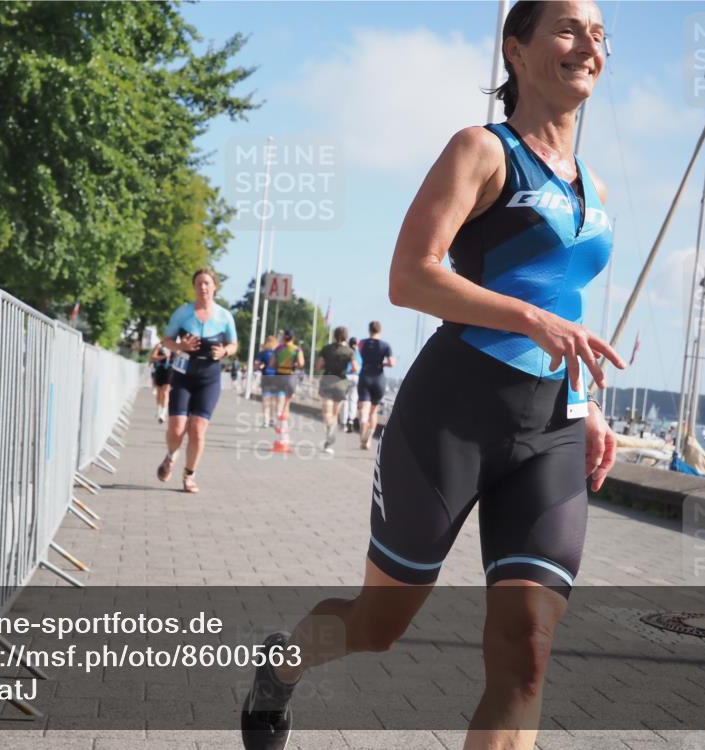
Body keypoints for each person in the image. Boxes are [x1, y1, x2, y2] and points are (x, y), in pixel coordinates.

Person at [241, 3, 626, 749]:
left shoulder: (597, 191)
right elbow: (409, 277)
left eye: (600, 34)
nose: (589, 45)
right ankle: (282, 664)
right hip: (452, 416)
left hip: (553, 430)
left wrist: (588, 406)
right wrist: (528, 320)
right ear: (516, 50)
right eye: (570, 28)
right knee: (377, 626)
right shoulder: (483, 151)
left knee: (528, 651)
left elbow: (564, 304)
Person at [155, 268, 238, 494]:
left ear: (215, 287)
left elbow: (233, 344)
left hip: (209, 378)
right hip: (183, 375)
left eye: (207, 283)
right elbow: (167, 340)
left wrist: (225, 353)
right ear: (194, 287)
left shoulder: (224, 316)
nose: (203, 287)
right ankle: (171, 456)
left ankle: (189, 475)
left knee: (198, 429)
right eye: (199, 283)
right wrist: (181, 347)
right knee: (177, 428)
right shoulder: (183, 313)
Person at [315, 326, 358, 455]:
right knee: (335, 413)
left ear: (334, 335)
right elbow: (355, 368)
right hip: (341, 383)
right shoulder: (350, 351)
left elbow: (319, 366)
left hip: (327, 380)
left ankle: (329, 433)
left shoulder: (327, 349)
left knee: (326, 412)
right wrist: (346, 370)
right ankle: (331, 433)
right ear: (346, 336)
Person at [356, 321, 396, 450]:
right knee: (373, 411)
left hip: (365, 376)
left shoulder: (362, 343)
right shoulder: (385, 346)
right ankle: (368, 439)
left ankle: (363, 425)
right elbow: (392, 363)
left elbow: (356, 356)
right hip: (379, 378)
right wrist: (381, 364)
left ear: (369, 330)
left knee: (364, 409)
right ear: (380, 330)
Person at [269, 330, 305, 422]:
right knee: (288, 400)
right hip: (290, 376)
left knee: (279, 395)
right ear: (293, 338)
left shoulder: (278, 349)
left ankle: (278, 413)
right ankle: (284, 419)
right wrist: (295, 364)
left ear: (284, 337)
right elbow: (301, 363)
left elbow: (271, 364)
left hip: (279, 374)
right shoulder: (297, 349)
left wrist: (279, 364)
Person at [255, 335, 279, 428]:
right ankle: (272, 419)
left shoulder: (262, 353)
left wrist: (261, 366)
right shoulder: (277, 353)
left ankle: (266, 420)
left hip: (266, 377)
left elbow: (257, 365)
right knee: (274, 400)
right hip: (276, 377)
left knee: (266, 399)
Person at [340, 336, 362, 433]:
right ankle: (351, 420)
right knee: (353, 400)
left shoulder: (346, 352)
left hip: (347, 376)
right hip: (357, 377)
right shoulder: (360, 355)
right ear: (356, 344)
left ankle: (344, 423)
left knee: (345, 400)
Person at [148, 342, 172, 423]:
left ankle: (163, 413)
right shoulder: (159, 345)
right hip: (159, 370)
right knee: (159, 392)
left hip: (170, 371)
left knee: (165, 392)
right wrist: (164, 356)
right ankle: (159, 409)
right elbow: (153, 357)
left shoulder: (176, 346)